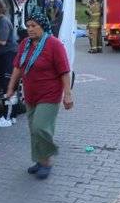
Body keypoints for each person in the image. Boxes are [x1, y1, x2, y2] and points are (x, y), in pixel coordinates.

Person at [6, 11, 72, 180]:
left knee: (40, 127)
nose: (30, 29)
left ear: (43, 26)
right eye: (28, 26)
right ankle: (39, 161)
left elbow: (64, 71)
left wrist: (68, 95)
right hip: (31, 94)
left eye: (34, 26)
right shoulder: (25, 44)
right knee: (33, 130)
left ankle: (47, 161)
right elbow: (18, 67)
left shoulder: (54, 44)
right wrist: (11, 87)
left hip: (49, 95)